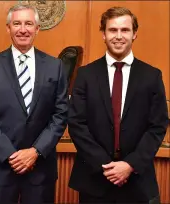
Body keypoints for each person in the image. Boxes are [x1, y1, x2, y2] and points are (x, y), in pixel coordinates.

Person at [68, 6, 168, 203]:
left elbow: (157, 126)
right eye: (113, 30)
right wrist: (106, 166)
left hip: (137, 182)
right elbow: (76, 124)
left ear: (134, 34)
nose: (119, 36)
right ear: (104, 34)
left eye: (125, 30)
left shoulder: (152, 76)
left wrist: (130, 165)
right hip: (94, 180)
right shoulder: (85, 75)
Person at [0, 4, 68, 204]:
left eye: (28, 23)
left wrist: (35, 152)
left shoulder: (55, 66)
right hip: (0, 170)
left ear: (37, 28)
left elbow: (60, 114)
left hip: (40, 170)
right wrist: (11, 155)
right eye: (17, 23)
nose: (23, 29)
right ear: (8, 28)